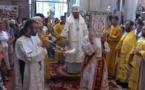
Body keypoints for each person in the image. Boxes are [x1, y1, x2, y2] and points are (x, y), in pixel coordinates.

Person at [15, 19, 48, 90]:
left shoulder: (34, 37)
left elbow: (41, 48)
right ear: (28, 28)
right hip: (27, 69)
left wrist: (43, 46)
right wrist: (43, 48)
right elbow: (30, 58)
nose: (37, 30)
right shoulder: (20, 41)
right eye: (35, 28)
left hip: (37, 66)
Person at [61, 4, 88, 74]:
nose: (76, 14)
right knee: (71, 56)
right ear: (72, 12)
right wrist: (65, 38)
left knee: (79, 55)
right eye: (74, 13)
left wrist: (86, 39)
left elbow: (85, 31)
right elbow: (65, 30)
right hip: (71, 42)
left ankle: (79, 70)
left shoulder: (82, 20)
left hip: (80, 42)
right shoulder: (68, 20)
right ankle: (70, 70)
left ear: (79, 12)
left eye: (77, 12)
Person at [116, 20, 137, 88]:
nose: (126, 26)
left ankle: (124, 82)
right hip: (122, 54)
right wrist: (117, 49)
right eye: (125, 24)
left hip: (127, 55)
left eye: (127, 24)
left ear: (131, 26)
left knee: (125, 69)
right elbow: (121, 42)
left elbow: (133, 46)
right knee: (121, 68)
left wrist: (130, 55)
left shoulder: (133, 35)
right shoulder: (125, 33)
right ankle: (119, 79)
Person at [128, 26, 145, 90]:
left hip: (142, 62)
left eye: (144, 29)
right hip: (135, 60)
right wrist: (131, 53)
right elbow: (134, 47)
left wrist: (140, 52)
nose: (143, 31)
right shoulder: (140, 39)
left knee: (140, 77)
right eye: (143, 29)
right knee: (133, 74)